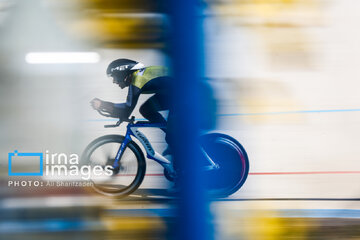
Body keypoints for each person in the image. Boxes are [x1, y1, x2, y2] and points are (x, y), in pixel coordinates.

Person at [91, 58, 172, 155]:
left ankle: (179, 147)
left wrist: (102, 105)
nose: (114, 81)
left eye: (114, 77)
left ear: (122, 74)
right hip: (172, 92)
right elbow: (126, 109)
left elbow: (126, 110)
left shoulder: (137, 79)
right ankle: (174, 140)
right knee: (146, 110)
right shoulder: (138, 76)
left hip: (183, 94)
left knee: (174, 136)